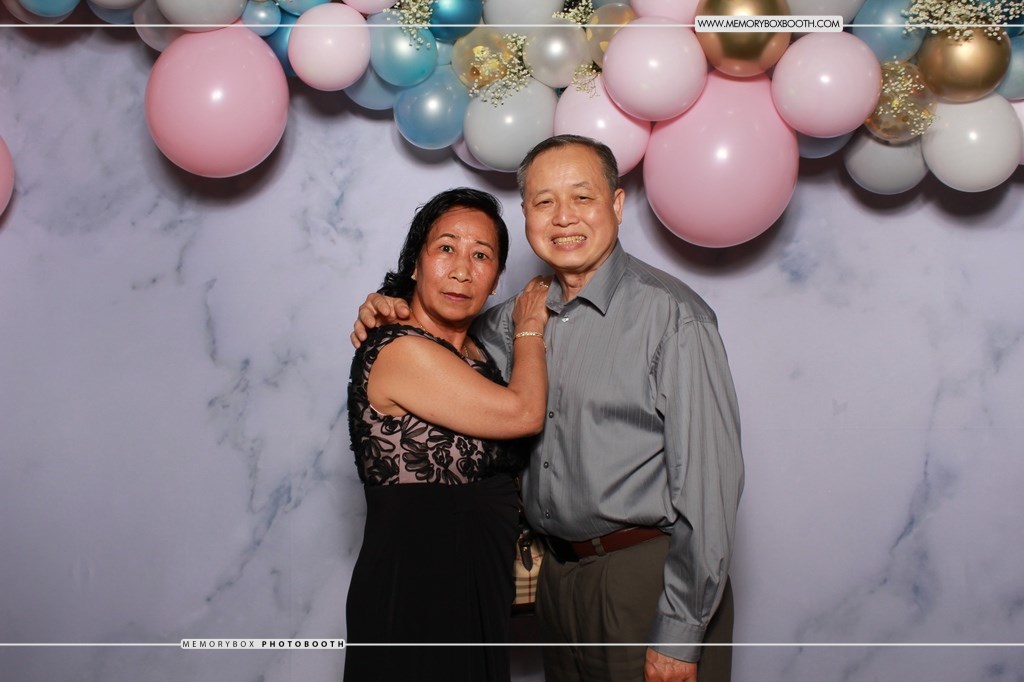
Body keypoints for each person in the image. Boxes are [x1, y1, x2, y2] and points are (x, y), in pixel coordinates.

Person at [352, 136, 744, 682]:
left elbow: (709, 485)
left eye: (582, 197)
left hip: (647, 580)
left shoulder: (674, 318)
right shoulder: (509, 322)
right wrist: (388, 305)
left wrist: (681, 630)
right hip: (553, 586)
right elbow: (439, 334)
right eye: (544, 201)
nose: (563, 217)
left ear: (617, 205)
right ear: (526, 215)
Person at [344, 187, 551, 682]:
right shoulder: (399, 349)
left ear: (497, 277)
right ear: (415, 263)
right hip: (415, 596)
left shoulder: (479, 350)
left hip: (479, 589)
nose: (462, 270)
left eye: (481, 255)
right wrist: (530, 328)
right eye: (446, 248)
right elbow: (524, 413)